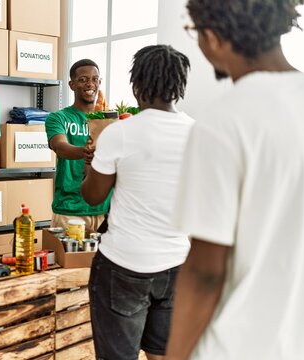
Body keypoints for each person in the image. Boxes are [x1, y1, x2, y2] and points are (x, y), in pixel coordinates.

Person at [165, 1, 304, 359]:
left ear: (212, 36)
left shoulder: (225, 122)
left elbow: (205, 271)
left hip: (236, 345)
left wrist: (177, 354)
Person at [80, 45, 194, 360]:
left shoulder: (120, 133)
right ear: (179, 86)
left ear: (137, 85)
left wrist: (92, 164)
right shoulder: (201, 133)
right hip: (176, 263)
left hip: (123, 266)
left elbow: (92, 196)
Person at [45, 59, 111, 233]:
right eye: (83, 79)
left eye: (95, 79)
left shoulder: (109, 119)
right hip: (70, 211)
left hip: (105, 210)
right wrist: (85, 151)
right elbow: (60, 146)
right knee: (69, 261)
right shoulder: (58, 118)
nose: (90, 84)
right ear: (72, 84)